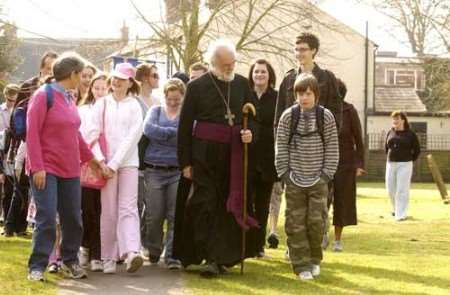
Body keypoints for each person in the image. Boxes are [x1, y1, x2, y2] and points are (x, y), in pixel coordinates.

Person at [173, 39, 257, 277]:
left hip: (234, 155)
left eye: (233, 63)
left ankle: (220, 258)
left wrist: (251, 134)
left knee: (228, 205)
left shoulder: (241, 84)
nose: (231, 68)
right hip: (204, 156)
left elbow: (255, 120)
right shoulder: (197, 86)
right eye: (226, 64)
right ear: (214, 63)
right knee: (205, 204)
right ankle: (207, 255)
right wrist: (185, 162)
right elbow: (185, 126)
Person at [26, 52, 102, 281]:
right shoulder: (43, 96)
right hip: (45, 169)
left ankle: (70, 261)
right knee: (47, 217)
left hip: (70, 169)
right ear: (72, 74)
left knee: (72, 219)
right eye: (81, 75)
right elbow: (32, 134)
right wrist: (37, 167)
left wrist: (92, 160)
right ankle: (37, 266)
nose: (84, 80)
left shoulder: (69, 98)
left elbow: (75, 134)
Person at [275, 73, 338, 280]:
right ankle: (301, 265)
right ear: (295, 95)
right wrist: (285, 174)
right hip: (294, 180)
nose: (304, 98)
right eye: (300, 93)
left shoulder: (326, 116)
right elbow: (281, 146)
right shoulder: (288, 116)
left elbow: (332, 147)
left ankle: (314, 260)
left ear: (316, 95)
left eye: (308, 93)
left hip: (318, 180)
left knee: (316, 222)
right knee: (295, 223)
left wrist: (325, 175)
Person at [85, 62, 144, 274]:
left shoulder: (135, 106)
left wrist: (115, 164)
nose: (117, 81)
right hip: (104, 165)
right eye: (115, 77)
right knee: (108, 211)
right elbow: (92, 134)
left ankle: (131, 253)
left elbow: (132, 138)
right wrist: (101, 162)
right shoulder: (102, 104)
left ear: (130, 82)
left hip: (127, 163)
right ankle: (108, 256)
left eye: (122, 78)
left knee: (128, 208)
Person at [143, 78, 184, 270]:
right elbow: (148, 129)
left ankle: (172, 255)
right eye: (170, 99)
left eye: (177, 99)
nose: (173, 103)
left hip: (176, 171)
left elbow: (186, 134)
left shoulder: (185, 115)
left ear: (182, 97)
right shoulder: (155, 111)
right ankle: (153, 249)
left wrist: (163, 134)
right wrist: (172, 133)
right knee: (154, 214)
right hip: (154, 170)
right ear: (165, 97)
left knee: (175, 214)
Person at [274, 33, 342, 129]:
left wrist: (327, 137)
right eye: (296, 50)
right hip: (292, 140)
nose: (298, 54)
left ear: (313, 50)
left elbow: (336, 113)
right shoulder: (288, 79)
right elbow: (279, 116)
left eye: (303, 50)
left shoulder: (327, 78)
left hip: (318, 139)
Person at [247, 59, 278, 257]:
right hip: (247, 157)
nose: (259, 75)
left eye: (263, 72)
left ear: (269, 75)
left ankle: (258, 247)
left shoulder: (276, 98)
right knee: (246, 203)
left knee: (263, 205)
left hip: (267, 158)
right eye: (256, 71)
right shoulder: (245, 95)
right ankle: (244, 246)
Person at [77, 73, 109, 271]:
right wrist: (96, 160)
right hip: (89, 164)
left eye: (103, 88)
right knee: (87, 209)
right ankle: (85, 248)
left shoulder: (112, 109)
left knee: (104, 212)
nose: (99, 91)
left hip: (110, 166)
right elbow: (85, 136)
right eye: (96, 88)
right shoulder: (83, 110)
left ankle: (99, 253)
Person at [331, 80, 365, 252]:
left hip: (345, 163)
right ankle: (321, 235)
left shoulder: (349, 110)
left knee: (342, 202)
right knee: (322, 200)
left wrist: (360, 164)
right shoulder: (323, 110)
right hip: (326, 162)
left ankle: (337, 240)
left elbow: (359, 140)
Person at [135, 63, 161, 258]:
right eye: (154, 75)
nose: (157, 78)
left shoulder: (157, 101)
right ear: (144, 78)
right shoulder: (135, 102)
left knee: (151, 204)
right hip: (138, 159)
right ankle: (134, 243)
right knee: (136, 202)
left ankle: (145, 241)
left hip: (154, 159)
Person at [385, 111, 420, 221]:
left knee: (402, 189)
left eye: (397, 119)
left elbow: (417, 150)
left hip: (405, 164)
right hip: (391, 163)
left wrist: (409, 160)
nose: (395, 121)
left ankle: (401, 214)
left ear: (403, 120)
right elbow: (386, 148)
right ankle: (396, 209)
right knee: (390, 188)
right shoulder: (390, 132)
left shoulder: (411, 134)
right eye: (393, 119)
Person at [0, 84, 19, 235]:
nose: (12, 102)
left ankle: (16, 224)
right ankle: (6, 219)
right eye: (9, 99)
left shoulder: (19, 112)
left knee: (16, 189)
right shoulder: (1, 111)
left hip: (16, 151)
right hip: (3, 151)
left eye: (14, 100)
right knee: (6, 189)